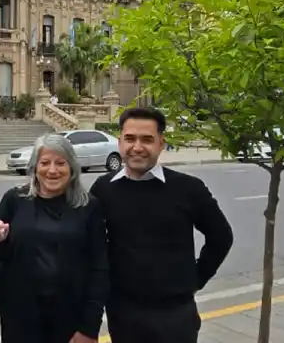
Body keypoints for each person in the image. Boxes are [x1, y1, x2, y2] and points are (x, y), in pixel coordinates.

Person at [90, 107, 234, 343]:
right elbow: (90, 241)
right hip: (123, 313)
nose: (137, 147)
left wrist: (195, 280)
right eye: (130, 139)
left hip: (175, 314)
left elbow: (221, 237)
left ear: (161, 143)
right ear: (120, 142)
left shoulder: (188, 188)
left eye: (147, 139)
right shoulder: (103, 189)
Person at [0, 133, 108, 343]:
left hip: (70, 317)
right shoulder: (15, 200)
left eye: (60, 163)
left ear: (72, 168)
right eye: (45, 163)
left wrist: (89, 328)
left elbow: (99, 268)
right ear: (34, 167)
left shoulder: (88, 206)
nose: (52, 170)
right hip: (21, 317)